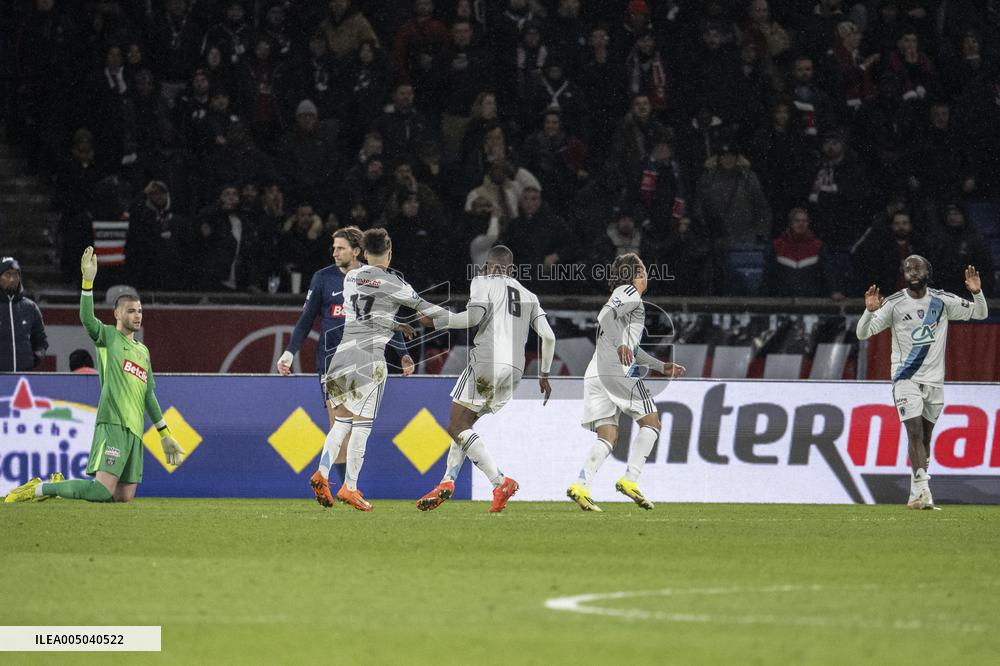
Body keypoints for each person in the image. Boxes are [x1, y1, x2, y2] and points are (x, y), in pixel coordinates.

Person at [5, 248, 184, 504]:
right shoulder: (109, 336)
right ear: (117, 314)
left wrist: (164, 434)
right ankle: (40, 488)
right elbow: (87, 319)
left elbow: (148, 395)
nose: (137, 315)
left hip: (135, 430)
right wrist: (87, 283)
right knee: (101, 490)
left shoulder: (143, 351)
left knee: (123, 496)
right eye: (131, 311)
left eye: (140, 311)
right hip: (113, 423)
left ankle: (61, 484)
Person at [276, 227, 414, 507]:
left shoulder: (371, 278)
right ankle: (343, 487)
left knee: (345, 426)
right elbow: (306, 319)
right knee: (341, 423)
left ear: (356, 251)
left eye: (340, 248)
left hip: (365, 360)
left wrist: (402, 354)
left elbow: (384, 318)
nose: (334, 253)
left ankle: (335, 482)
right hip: (332, 361)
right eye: (334, 248)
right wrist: (290, 352)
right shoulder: (323, 278)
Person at [416, 244, 556, 513]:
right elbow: (549, 337)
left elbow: (473, 317)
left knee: (457, 426)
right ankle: (447, 481)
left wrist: (437, 322)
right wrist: (545, 374)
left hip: (488, 361)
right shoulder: (529, 295)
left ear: (487, 266)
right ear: (512, 269)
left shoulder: (482, 281)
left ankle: (500, 482)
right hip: (515, 370)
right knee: (465, 424)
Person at [319, 229, 448, 511]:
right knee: (362, 426)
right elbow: (425, 308)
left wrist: (395, 324)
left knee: (340, 423)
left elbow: (366, 314)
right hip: (369, 360)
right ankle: (350, 487)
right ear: (389, 254)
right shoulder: (395, 283)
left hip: (341, 356)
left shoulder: (351, 277)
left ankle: (321, 473)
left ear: (364, 253)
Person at [856, 257, 988, 510]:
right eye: (908, 269)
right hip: (905, 377)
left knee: (925, 437)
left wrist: (977, 293)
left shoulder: (942, 301)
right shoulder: (894, 304)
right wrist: (868, 312)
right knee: (914, 431)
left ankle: (917, 494)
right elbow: (862, 333)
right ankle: (923, 490)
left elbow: (981, 313)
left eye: (917, 268)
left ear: (928, 271)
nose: (913, 272)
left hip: (934, 380)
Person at [566, 253, 685, 512]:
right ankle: (630, 480)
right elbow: (604, 316)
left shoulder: (625, 300)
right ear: (636, 274)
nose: (647, 275)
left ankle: (581, 486)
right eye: (643, 270)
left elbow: (632, 349)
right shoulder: (629, 292)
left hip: (596, 371)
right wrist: (621, 344)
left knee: (607, 435)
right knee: (651, 422)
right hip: (616, 371)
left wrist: (661, 366)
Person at [0, 256, 48, 372]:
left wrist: (34, 357)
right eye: (7, 274)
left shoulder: (30, 307)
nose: (12, 279)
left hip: (24, 376)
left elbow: (41, 341)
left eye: (16, 274)